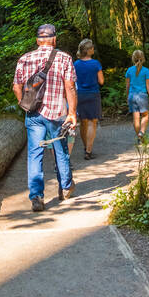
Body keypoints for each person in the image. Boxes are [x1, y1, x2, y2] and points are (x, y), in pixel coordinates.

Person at [13, 23, 78, 212]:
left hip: (33, 114)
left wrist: (24, 104)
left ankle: (36, 197)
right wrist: (72, 113)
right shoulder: (64, 58)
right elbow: (70, 87)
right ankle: (65, 187)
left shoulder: (24, 59)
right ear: (54, 39)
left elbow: (16, 86)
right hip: (57, 113)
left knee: (34, 154)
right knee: (60, 149)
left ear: (37, 40)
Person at [73, 37, 104, 159]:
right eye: (92, 48)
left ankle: (85, 147)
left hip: (79, 94)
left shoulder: (76, 64)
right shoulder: (95, 64)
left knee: (83, 122)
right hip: (93, 94)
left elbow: (73, 80)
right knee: (92, 122)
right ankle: (89, 151)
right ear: (89, 50)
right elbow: (101, 81)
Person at [125, 49, 149, 139]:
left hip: (132, 96)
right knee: (145, 115)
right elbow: (148, 85)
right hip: (142, 96)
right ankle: (141, 132)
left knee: (136, 118)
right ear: (143, 58)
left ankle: (139, 137)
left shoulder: (129, 70)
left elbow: (127, 85)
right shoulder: (146, 71)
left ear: (133, 59)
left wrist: (127, 96)